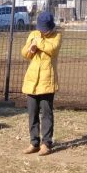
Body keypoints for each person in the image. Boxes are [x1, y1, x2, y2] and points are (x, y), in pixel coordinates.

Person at [22, 9, 62, 155]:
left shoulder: (57, 36)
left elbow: (52, 49)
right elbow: (24, 53)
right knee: (32, 113)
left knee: (46, 113)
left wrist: (38, 42)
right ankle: (34, 143)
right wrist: (31, 50)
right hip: (32, 81)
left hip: (47, 81)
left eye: (45, 29)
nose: (42, 31)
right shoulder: (33, 34)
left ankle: (46, 143)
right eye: (40, 29)